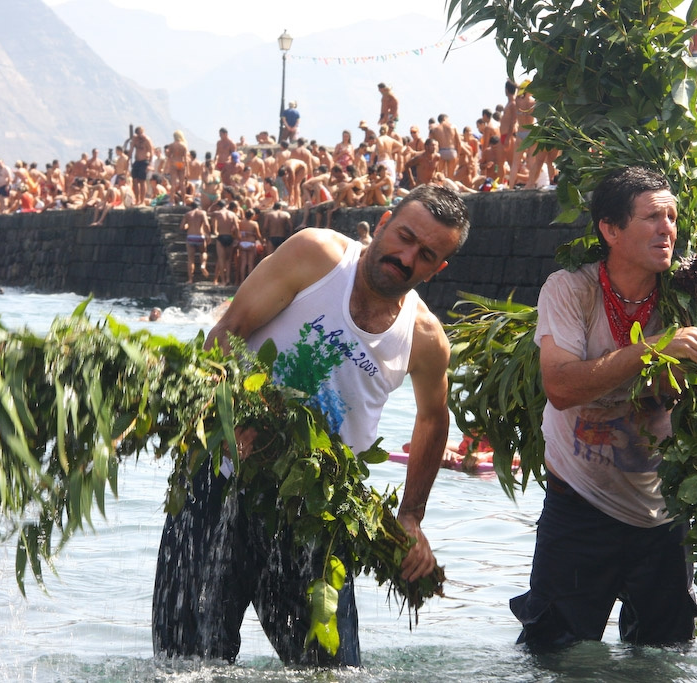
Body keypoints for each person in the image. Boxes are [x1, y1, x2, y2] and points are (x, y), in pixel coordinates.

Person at [151, 184, 470, 666]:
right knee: (185, 665)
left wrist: (411, 516)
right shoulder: (316, 256)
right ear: (384, 224)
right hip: (220, 482)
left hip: (315, 515)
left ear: (437, 268)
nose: (407, 258)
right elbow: (228, 333)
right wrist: (231, 415)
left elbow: (432, 418)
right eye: (404, 237)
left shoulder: (425, 339)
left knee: (331, 672)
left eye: (425, 255)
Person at [511, 166, 697, 651]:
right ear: (610, 230)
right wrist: (655, 348)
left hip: (664, 516)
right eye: (653, 217)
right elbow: (561, 386)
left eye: (673, 217)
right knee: (553, 656)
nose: (667, 229)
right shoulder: (571, 289)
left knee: (663, 659)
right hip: (579, 508)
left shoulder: (693, 300)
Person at [180, 200, 211, 283]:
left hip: (190, 237)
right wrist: (208, 235)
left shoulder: (188, 214)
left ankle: (190, 279)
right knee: (203, 252)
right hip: (200, 236)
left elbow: (182, 227)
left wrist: (188, 225)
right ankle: (203, 265)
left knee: (190, 259)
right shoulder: (202, 213)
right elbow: (206, 224)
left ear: (191, 207)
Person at [130, 126, 154, 206]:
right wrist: (129, 160)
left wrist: (149, 164)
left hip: (144, 162)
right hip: (137, 161)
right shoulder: (135, 139)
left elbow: (151, 151)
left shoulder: (147, 140)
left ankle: (142, 200)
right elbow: (131, 149)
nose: (140, 135)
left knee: (142, 181)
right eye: (138, 133)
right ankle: (137, 200)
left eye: (141, 133)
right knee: (134, 181)